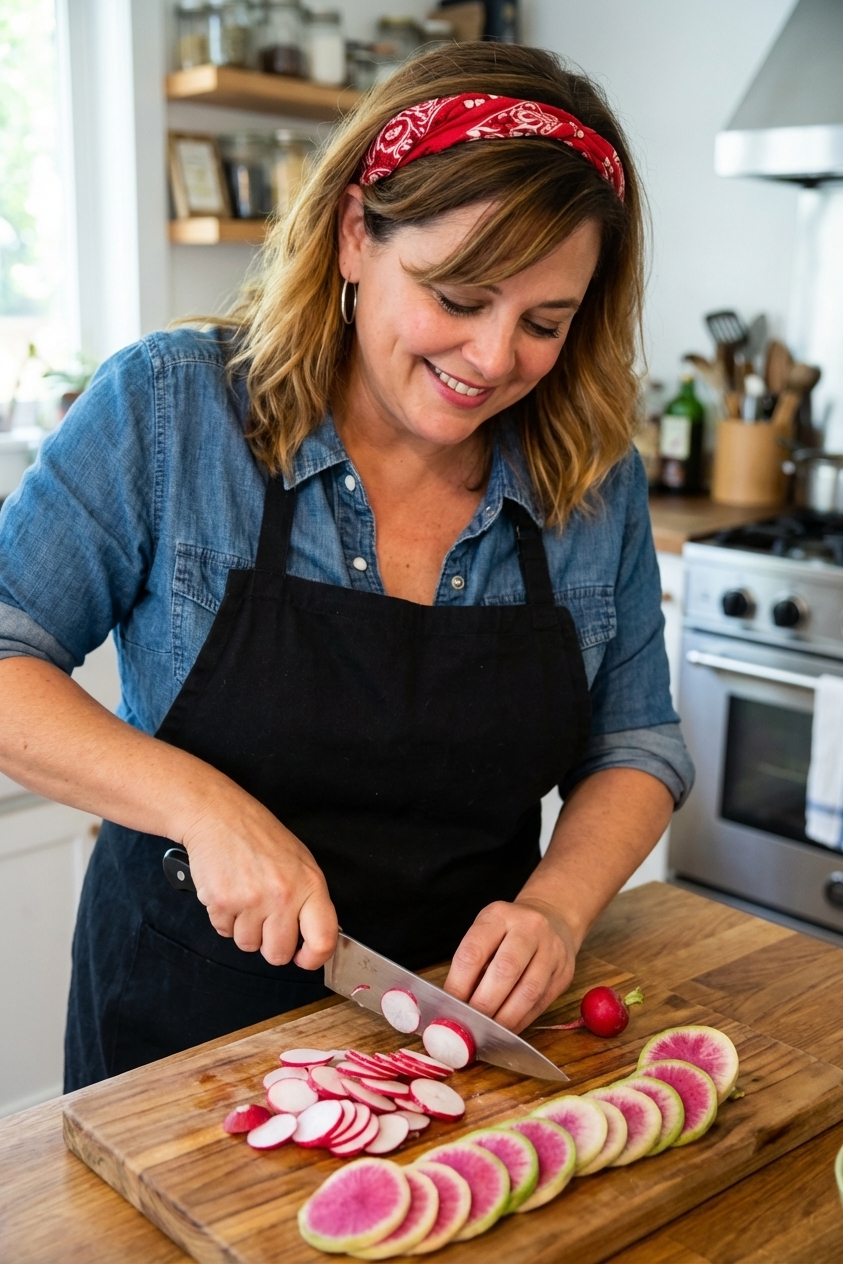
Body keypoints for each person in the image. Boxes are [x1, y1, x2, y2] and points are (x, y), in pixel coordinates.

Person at [0, 43, 692, 1091]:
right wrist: (203, 805)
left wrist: (556, 905)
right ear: (356, 234)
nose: (495, 357)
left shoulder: (595, 481)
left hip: (461, 1034)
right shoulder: (170, 411)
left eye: (545, 322)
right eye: (459, 296)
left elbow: (636, 745)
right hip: (180, 1041)